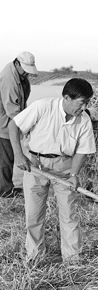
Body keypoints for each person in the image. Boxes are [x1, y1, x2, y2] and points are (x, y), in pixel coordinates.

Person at [9, 78, 95, 262]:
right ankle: (35, 256)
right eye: (81, 103)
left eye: (87, 103)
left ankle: (72, 259)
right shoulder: (42, 107)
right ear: (66, 97)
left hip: (65, 167)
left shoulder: (84, 119)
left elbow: (82, 150)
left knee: (69, 214)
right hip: (35, 165)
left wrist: (74, 175)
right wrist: (18, 155)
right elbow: (14, 125)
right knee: (34, 214)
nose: (84, 107)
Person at [0, 51, 38, 198]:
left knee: (7, 155)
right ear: (17, 63)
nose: (26, 73)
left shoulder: (19, 74)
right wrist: (26, 125)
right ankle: (5, 191)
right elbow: (12, 110)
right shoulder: (9, 79)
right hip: (3, 123)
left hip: (11, 120)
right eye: (24, 70)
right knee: (5, 156)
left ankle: (6, 186)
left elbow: (22, 102)